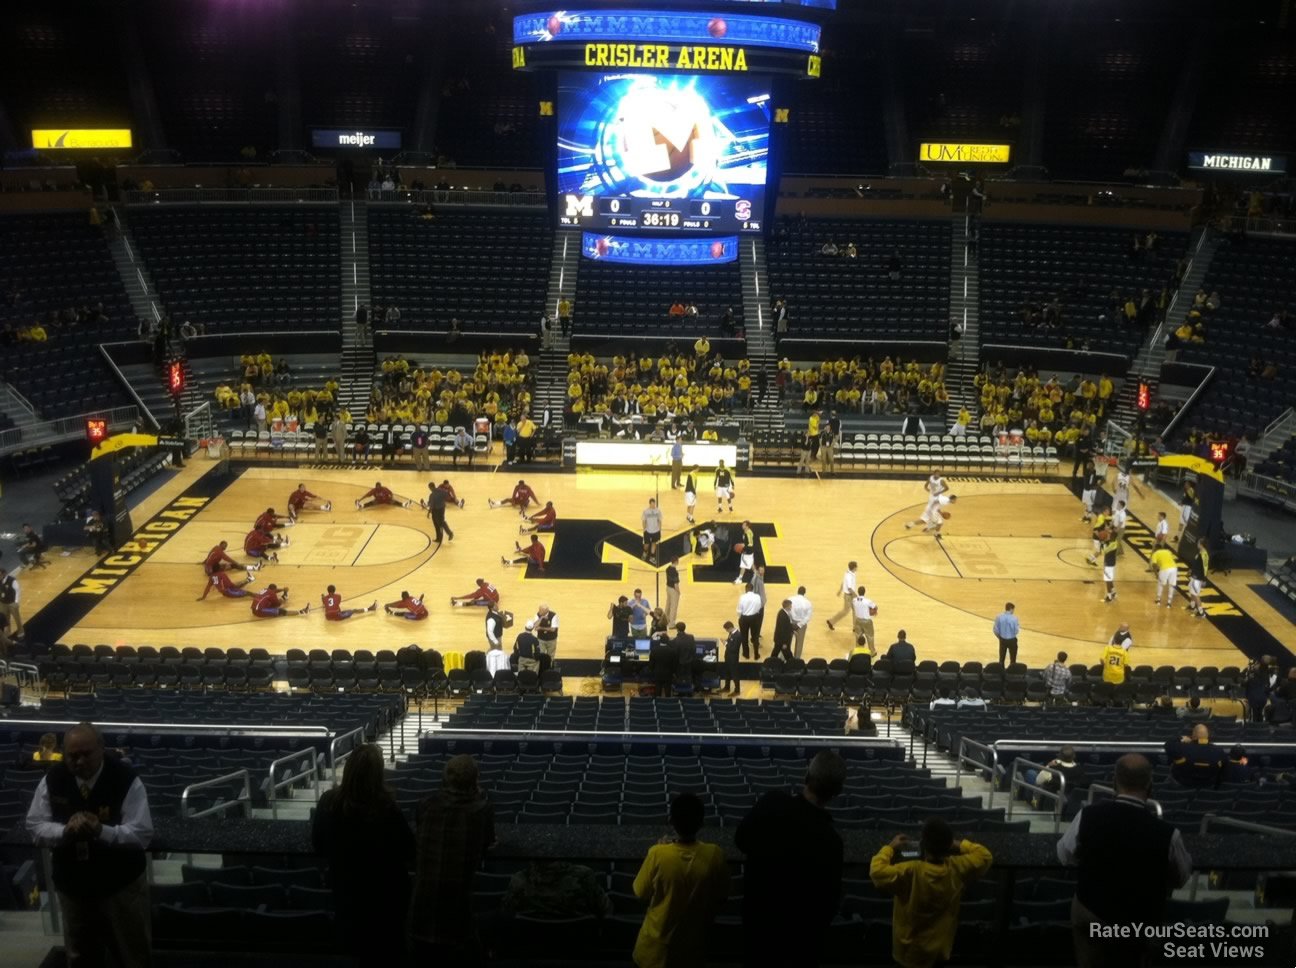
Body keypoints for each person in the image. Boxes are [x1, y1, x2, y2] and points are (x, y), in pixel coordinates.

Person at [25, 722, 154, 968]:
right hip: (73, 886)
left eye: (86, 754)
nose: (79, 762)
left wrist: (101, 831)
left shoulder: (126, 778)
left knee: (132, 955)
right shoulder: (53, 778)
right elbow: (35, 825)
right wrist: (64, 831)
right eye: (72, 756)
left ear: (101, 749)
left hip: (120, 886)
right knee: (80, 956)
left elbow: (142, 834)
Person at [1057, 753, 1192, 968]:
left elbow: (1065, 856)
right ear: (1150, 785)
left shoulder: (1088, 816)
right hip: (1140, 921)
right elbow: (1181, 877)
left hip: (1093, 911)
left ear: (1114, 782)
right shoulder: (1168, 834)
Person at [736, 752, 846, 968]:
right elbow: (828, 903)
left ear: (807, 776)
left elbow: (741, 840)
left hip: (757, 933)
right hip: (800, 946)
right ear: (837, 791)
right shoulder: (831, 842)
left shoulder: (771, 803)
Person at [312, 743, 415, 968]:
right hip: (385, 900)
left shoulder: (328, 802)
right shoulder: (386, 808)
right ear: (378, 774)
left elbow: (318, 844)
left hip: (347, 896)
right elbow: (409, 849)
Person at [869, 818, 993, 968]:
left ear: (923, 845)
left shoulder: (910, 870)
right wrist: (957, 844)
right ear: (948, 846)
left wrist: (889, 848)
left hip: (908, 951)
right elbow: (985, 856)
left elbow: (876, 871)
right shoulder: (957, 867)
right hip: (940, 951)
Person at [408, 755, 496, 962]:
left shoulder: (425, 805)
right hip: (456, 919)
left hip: (418, 915)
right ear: (475, 780)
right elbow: (487, 841)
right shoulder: (481, 810)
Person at [632, 792, 729, 968]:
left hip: (654, 952)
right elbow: (722, 897)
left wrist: (660, 850)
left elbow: (640, 892)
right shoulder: (715, 854)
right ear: (701, 822)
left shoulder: (657, 853)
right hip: (693, 951)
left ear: (671, 821)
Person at [825, 561, 859, 631]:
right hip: (849, 596)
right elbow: (849, 588)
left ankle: (855, 627)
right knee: (845, 611)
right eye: (856, 566)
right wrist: (856, 595)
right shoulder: (849, 576)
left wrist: (840, 590)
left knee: (855, 609)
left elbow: (843, 582)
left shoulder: (849, 572)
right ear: (854, 568)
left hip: (850, 595)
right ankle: (831, 621)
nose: (857, 568)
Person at [736, 582, 763, 660]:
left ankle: (746, 654)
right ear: (752, 589)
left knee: (744, 637)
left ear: (746, 589)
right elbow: (759, 607)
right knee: (755, 637)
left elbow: (739, 609)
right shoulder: (757, 596)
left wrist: (740, 617)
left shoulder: (742, 597)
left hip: (744, 618)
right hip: (755, 618)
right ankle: (756, 654)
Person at [850, 586, 879, 655]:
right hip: (867, 621)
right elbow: (875, 607)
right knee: (870, 636)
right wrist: (874, 612)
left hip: (858, 620)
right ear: (864, 592)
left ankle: (857, 651)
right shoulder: (868, 601)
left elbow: (852, 607)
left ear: (858, 592)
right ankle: (872, 652)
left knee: (858, 636)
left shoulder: (854, 600)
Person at [1187, 538, 1210, 618]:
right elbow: (1196, 563)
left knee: (1196, 594)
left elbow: (1205, 567)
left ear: (1201, 544)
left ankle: (1201, 612)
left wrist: (1204, 579)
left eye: (1198, 543)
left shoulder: (1204, 554)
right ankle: (1192, 606)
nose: (1197, 544)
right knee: (1191, 591)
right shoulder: (1200, 552)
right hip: (1194, 576)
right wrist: (1191, 570)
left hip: (1197, 578)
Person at [788, 586, 813, 659]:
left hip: (791, 623)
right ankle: (796, 660)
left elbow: (788, 611)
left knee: (787, 641)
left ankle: (785, 659)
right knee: (799, 644)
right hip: (801, 625)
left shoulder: (790, 599)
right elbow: (808, 617)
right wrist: (799, 625)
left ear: (797, 591)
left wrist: (791, 622)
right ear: (804, 593)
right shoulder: (808, 603)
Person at [0, 568, 24, 640]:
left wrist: (16, 602)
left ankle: (21, 632)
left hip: (12, 603)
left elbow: (17, 590)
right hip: (3, 603)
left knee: (17, 619)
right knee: (5, 619)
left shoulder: (12, 580)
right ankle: (8, 633)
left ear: (4, 574)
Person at [720, 620, 742, 695]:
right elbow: (730, 641)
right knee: (727, 673)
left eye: (726, 629)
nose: (726, 631)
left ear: (729, 628)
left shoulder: (738, 635)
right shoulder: (731, 633)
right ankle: (727, 687)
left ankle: (737, 690)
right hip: (728, 656)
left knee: (734, 674)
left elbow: (734, 648)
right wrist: (727, 640)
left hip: (733, 658)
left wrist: (725, 643)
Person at [664, 557, 681, 625]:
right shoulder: (675, 572)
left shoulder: (668, 568)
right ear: (676, 561)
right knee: (673, 607)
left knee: (668, 604)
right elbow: (675, 584)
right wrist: (679, 592)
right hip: (673, 590)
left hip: (668, 588)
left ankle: (665, 620)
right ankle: (672, 623)